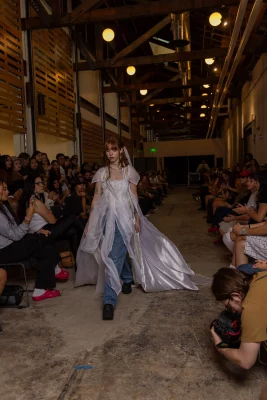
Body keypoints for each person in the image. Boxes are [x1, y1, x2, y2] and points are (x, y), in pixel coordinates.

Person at [75, 136, 198, 321]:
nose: (110, 153)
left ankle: (109, 301)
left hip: (126, 217)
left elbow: (134, 197)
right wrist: (91, 222)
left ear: (121, 151)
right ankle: (126, 278)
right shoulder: (101, 173)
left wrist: (137, 218)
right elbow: (96, 199)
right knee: (116, 251)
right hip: (107, 218)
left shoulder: (129, 172)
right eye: (108, 149)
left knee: (114, 254)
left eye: (114, 149)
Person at [0, 180, 62, 301]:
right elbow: (17, 235)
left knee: (46, 245)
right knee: (44, 241)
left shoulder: (3, 206)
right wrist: (29, 216)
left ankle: (41, 289)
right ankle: (51, 273)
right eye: (4, 188)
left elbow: (16, 230)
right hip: (4, 252)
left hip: (12, 245)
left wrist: (36, 232)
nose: (7, 191)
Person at [211, 267, 267, 372]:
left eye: (228, 306)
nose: (232, 310)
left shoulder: (252, 309)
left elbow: (245, 361)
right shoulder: (261, 275)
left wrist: (221, 347)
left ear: (236, 296)